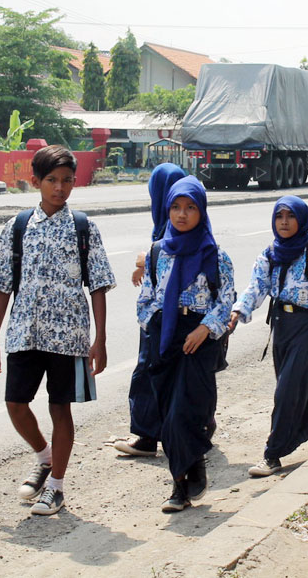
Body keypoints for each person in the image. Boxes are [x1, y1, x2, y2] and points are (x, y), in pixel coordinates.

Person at [0, 145, 116, 516]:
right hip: (24, 333)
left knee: (61, 408)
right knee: (15, 403)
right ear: (35, 181)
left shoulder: (83, 228)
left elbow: (99, 285)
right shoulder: (18, 226)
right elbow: (2, 284)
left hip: (69, 338)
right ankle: (44, 456)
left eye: (67, 181)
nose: (60, 188)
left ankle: (55, 486)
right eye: (52, 181)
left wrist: (100, 339)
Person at [228, 197, 308, 478]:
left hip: (307, 327)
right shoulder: (270, 253)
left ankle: (272, 454)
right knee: (293, 388)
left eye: (290, 216)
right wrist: (238, 312)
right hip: (281, 325)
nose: (284, 221)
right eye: (279, 216)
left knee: (286, 393)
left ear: (301, 220)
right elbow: (256, 287)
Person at [135, 176, 235, 513]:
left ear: (201, 211)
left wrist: (204, 329)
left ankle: (179, 486)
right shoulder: (158, 251)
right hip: (165, 336)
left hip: (199, 337)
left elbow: (226, 301)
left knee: (185, 412)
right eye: (176, 207)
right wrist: (152, 323)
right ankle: (189, 474)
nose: (181, 214)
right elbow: (147, 296)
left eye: (190, 208)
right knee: (167, 413)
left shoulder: (215, 255)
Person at [116, 162, 188, 458]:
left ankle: (147, 437)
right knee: (182, 373)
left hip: (168, 318)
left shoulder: (174, 223)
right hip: (177, 318)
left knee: (149, 371)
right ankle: (196, 429)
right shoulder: (175, 221)